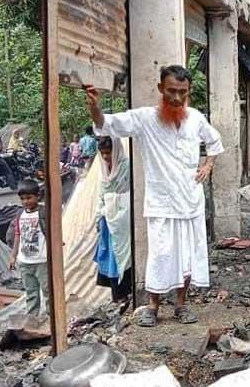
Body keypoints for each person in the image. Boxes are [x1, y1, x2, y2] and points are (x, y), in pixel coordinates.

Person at [85, 65, 224, 327]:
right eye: (171, 91)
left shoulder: (195, 118)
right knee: (160, 255)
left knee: (187, 257)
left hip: (191, 202)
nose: (176, 97)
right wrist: (94, 106)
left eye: (182, 92)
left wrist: (208, 165)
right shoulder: (145, 119)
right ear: (161, 89)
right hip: (161, 203)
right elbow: (105, 124)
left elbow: (215, 141)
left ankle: (181, 305)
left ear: (188, 91)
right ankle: (153, 306)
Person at [93, 135, 133, 303]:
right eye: (103, 153)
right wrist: (98, 216)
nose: (106, 157)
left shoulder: (126, 165)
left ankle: (125, 294)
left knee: (123, 255)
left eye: (108, 152)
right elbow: (101, 194)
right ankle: (116, 296)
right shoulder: (103, 168)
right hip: (108, 218)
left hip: (123, 218)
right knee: (110, 256)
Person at [8, 179, 49, 317]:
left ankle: (52, 319)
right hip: (25, 262)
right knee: (31, 293)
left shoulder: (44, 213)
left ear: (38, 196)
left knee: (48, 291)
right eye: (22, 199)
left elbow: (52, 232)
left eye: (29, 197)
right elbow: (17, 236)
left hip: (42, 261)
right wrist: (13, 256)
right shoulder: (20, 214)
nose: (26, 201)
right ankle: (33, 320)